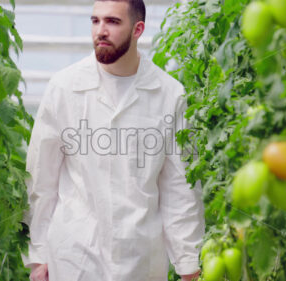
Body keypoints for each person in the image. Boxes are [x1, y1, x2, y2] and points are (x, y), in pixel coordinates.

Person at [22, 0, 205, 280]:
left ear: (138, 29)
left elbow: (179, 188)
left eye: (113, 22)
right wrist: (38, 257)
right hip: (74, 257)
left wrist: (188, 263)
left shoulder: (169, 95)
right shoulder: (64, 88)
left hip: (141, 258)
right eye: (95, 21)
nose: (101, 31)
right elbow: (41, 179)